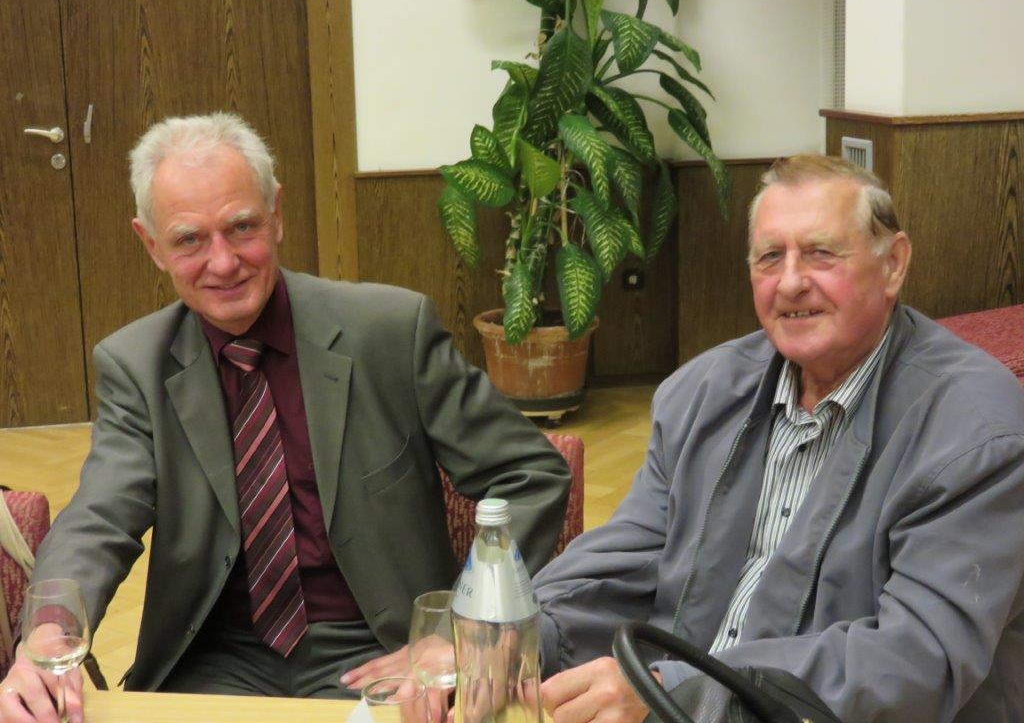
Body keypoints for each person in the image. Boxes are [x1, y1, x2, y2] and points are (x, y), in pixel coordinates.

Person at [0, 113, 569, 722]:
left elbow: (529, 476)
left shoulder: (390, 333)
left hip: (380, 650)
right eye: (189, 239)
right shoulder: (135, 364)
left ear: (276, 214)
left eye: (242, 227)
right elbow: (99, 518)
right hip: (216, 663)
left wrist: (462, 629)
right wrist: (50, 632)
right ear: (151, 245)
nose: (223, 263)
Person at [534, 155, 1024, 723]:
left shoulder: (975, 432)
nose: (790, 282)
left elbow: (915, 660)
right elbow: (624, 558)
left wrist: (677, 691)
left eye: (821, 253)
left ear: (893, 264)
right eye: (770, 257)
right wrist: (511, 634)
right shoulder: (703, 391)